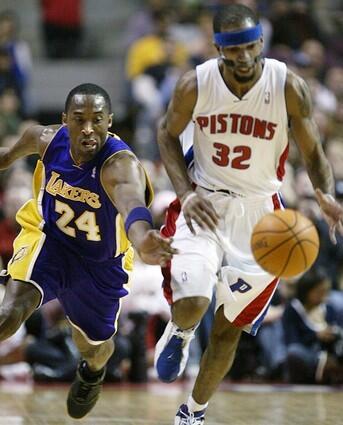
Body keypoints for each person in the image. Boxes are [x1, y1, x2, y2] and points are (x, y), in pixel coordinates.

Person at [154, 4, 343, 424]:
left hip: (262, 217)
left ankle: (193, 413)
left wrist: (324, 193)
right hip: (204, 201)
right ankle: (181, 332)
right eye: (232, 49)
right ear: (218, 48)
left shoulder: (288, 85)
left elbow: (312, 149)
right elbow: (165, 134)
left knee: (228, 329)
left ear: (262, 41)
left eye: (250, 46)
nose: (243, 57)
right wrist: (184, 193)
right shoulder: (195, 84)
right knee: (194, 301)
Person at [0, 83, 177, 419]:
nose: (88, 129)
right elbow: (6, 158)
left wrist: (142, 240)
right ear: (65, 119)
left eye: (97, 120)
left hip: (99, 265)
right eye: (79, 119)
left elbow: (132, 206)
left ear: (109, 121)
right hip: (49, 240)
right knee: (9, 313)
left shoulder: (119, 165)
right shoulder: (44, 139)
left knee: (94, 348)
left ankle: (92, 372)